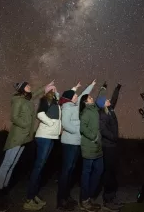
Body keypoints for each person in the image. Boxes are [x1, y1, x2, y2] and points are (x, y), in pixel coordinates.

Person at [0, 80, 54, 212]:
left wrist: (45, 87)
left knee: (12, 165)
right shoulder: (18, 99)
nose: (30, 86)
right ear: (22, 89)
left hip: (24, 138)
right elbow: (14, 117)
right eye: (27, 85)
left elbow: (34, 94)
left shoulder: (27, 98)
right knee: (6, 164)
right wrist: (26, 125)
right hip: (17, 137)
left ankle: (3, 194)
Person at [57, 79, 96, 211]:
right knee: (66, 171)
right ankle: (60, 201)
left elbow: (81, 96)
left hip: (76, 142)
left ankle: (66, 196)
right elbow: (66, 124)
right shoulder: (67, 107)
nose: (76, 97)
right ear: (69, 98)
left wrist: (90, 85)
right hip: (69, 143)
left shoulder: (74, 106)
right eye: (73, 95)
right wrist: (79, 131)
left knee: (71, 170)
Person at [24, 82, 62, 210]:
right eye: (53, 89)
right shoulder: (46, 99)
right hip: (44, 136)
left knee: (41, 167)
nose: (56, 90)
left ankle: (34, 195)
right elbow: (40, 114)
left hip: (51, 137)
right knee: (38, 167)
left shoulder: (56, 102)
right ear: (49, 91)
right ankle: (29, 199)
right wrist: (51, 123)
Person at [79, 83, 107, 212]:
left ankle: (89, 196)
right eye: (89, 98)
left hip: (98, 149)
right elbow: (83, 128)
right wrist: (94, 137)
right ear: (85, 102)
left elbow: (100, 100)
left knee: (99, 171)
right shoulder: (85, 112)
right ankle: (84, 200)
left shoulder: (94, 108)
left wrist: (103, 89)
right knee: (86, 173)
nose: (92, 98)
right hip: (89, 147)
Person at [95, 83, 123, 211]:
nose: (108, 100)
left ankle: (112, 196)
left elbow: (114, 99)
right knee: (108, 173)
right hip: (108, 146)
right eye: (105, 100)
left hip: (113, 145)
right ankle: (108, 200)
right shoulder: (102, 114)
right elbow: (103, 130)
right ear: (102, 104)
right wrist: (113, 137)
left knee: (112, 172)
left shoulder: (110, 109)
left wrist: (117, 89)